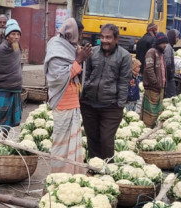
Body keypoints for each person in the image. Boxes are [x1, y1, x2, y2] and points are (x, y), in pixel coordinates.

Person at [44, 18, 92, 173]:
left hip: (73, 101)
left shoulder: (71, 46)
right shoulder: (56, 46)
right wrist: (79, 59)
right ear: (72, 32)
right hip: (62, 102)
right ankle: (59, 174)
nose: (81, 36)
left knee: (73, 142)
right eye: (80, 33)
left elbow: (75, 69)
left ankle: (72, 172)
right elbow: (58, 77)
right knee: (61, 143)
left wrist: (80, 59)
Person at [80, 24, 132, 160]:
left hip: (111, 106)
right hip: (89, 104)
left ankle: (108, 170)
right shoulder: (93, 52)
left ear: (116, 39)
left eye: (108, 37)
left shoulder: (124, 56)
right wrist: (83, 95)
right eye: (102, 37)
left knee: (106, 140)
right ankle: (94, 168)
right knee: (92, 139)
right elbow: (86, 74)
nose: (104, 40)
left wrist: (119, 104)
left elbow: (124, 81)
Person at [0, 19, 23, 137]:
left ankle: (4, 139)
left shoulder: (17, 48)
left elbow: (17, 66)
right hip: (3, 88)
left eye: (18, 34)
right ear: (7, 36)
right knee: (0, 112)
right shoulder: (1, 50)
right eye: (13, 34)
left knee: (11, 115)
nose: (16, 37)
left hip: (16, 87)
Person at [141, 32, 168, 128]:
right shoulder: (151, 52)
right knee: (151, 113)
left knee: (157, 112)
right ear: (158, 42)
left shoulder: (161, 54)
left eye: (166, 43)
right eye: (163, 43)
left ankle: (153, 129)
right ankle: (147, 129)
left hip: (160, 87)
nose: (165, 45)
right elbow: (149, 69)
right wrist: (156, 83)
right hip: (153, 87)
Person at [164, 29, 180, 98]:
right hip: (168, 77)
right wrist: (170, 74)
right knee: (171, 96)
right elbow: (167, 63)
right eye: (177, 37)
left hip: (168, 76)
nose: (178, 39)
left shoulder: (169, 47)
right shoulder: (168, 48)